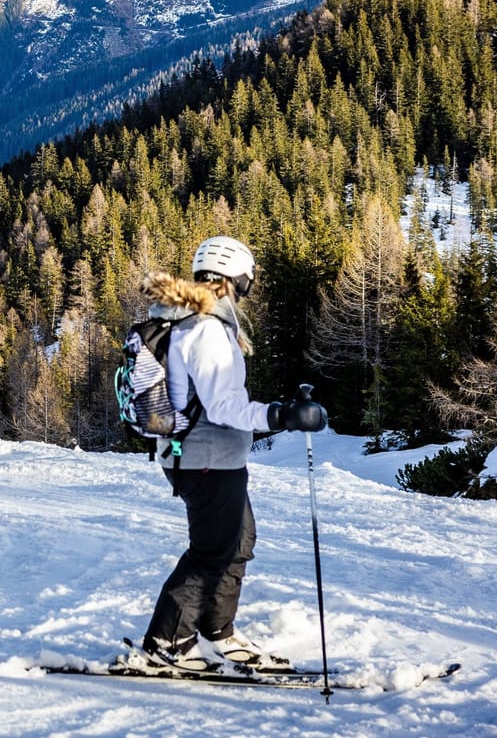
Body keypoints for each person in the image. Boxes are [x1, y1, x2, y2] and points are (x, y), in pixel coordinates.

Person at [130, 236, 327, 676]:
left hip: (210, 456)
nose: (246, 290)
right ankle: (167, 644)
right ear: (235, 279)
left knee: (237, 543)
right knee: (211, 551)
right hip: (204, 457)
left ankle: (217, 630)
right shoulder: (204, 329)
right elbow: (223, 405)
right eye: (246, 282)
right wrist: (281, 415)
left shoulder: (194, 323)